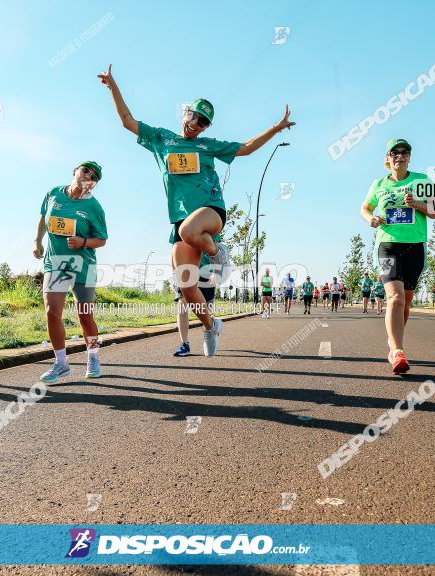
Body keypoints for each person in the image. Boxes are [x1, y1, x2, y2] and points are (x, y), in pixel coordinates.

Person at [99, 65, 295, 356]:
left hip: (210, 211)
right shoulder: (162, 139)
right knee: (186, 286)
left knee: (189, 230)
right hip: (180, 219)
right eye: (194, 116)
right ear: (185, 113)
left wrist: (275, 128)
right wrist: (113, 86)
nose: (196, 124)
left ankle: (219, 254)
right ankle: (210, 326)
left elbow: (245, 148)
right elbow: (128, 121)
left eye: (203, 122)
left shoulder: (207, 145)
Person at [360, 139, 435, 374]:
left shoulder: (422, 181)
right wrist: (371, 219)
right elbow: (365, 208)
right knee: (395, 299)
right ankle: (397, 352)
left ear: (409, 157)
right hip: (387, 245)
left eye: (404, 152)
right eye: (394, 152)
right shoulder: (378, 184)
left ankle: (393, 342)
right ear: (388, 158)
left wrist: (417, 204)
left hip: (415, 246)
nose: (399, 156)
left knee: (405, 304)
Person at [34, 161, 108, 383]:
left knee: (85, 315)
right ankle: (61, 363)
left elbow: (101, 240)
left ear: (93, 185)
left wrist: (83, 241)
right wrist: (37, 240)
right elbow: (42, 219)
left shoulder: (94, 207)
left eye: (94, 177)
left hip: (83, 265)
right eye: (85, 170)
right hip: (57, 263)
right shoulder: (53, 194)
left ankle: (93, 356)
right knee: (51, 311)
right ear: (74, 171)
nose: (88, 176)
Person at [174, 253, 217, 356]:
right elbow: (175, 250)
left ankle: (210, 332)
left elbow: (215, 250)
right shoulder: (177, 235)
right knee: (182, 302)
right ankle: (185, 344)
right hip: (185, 270)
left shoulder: (211, 235)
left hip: (206, 272)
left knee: (206, 309)